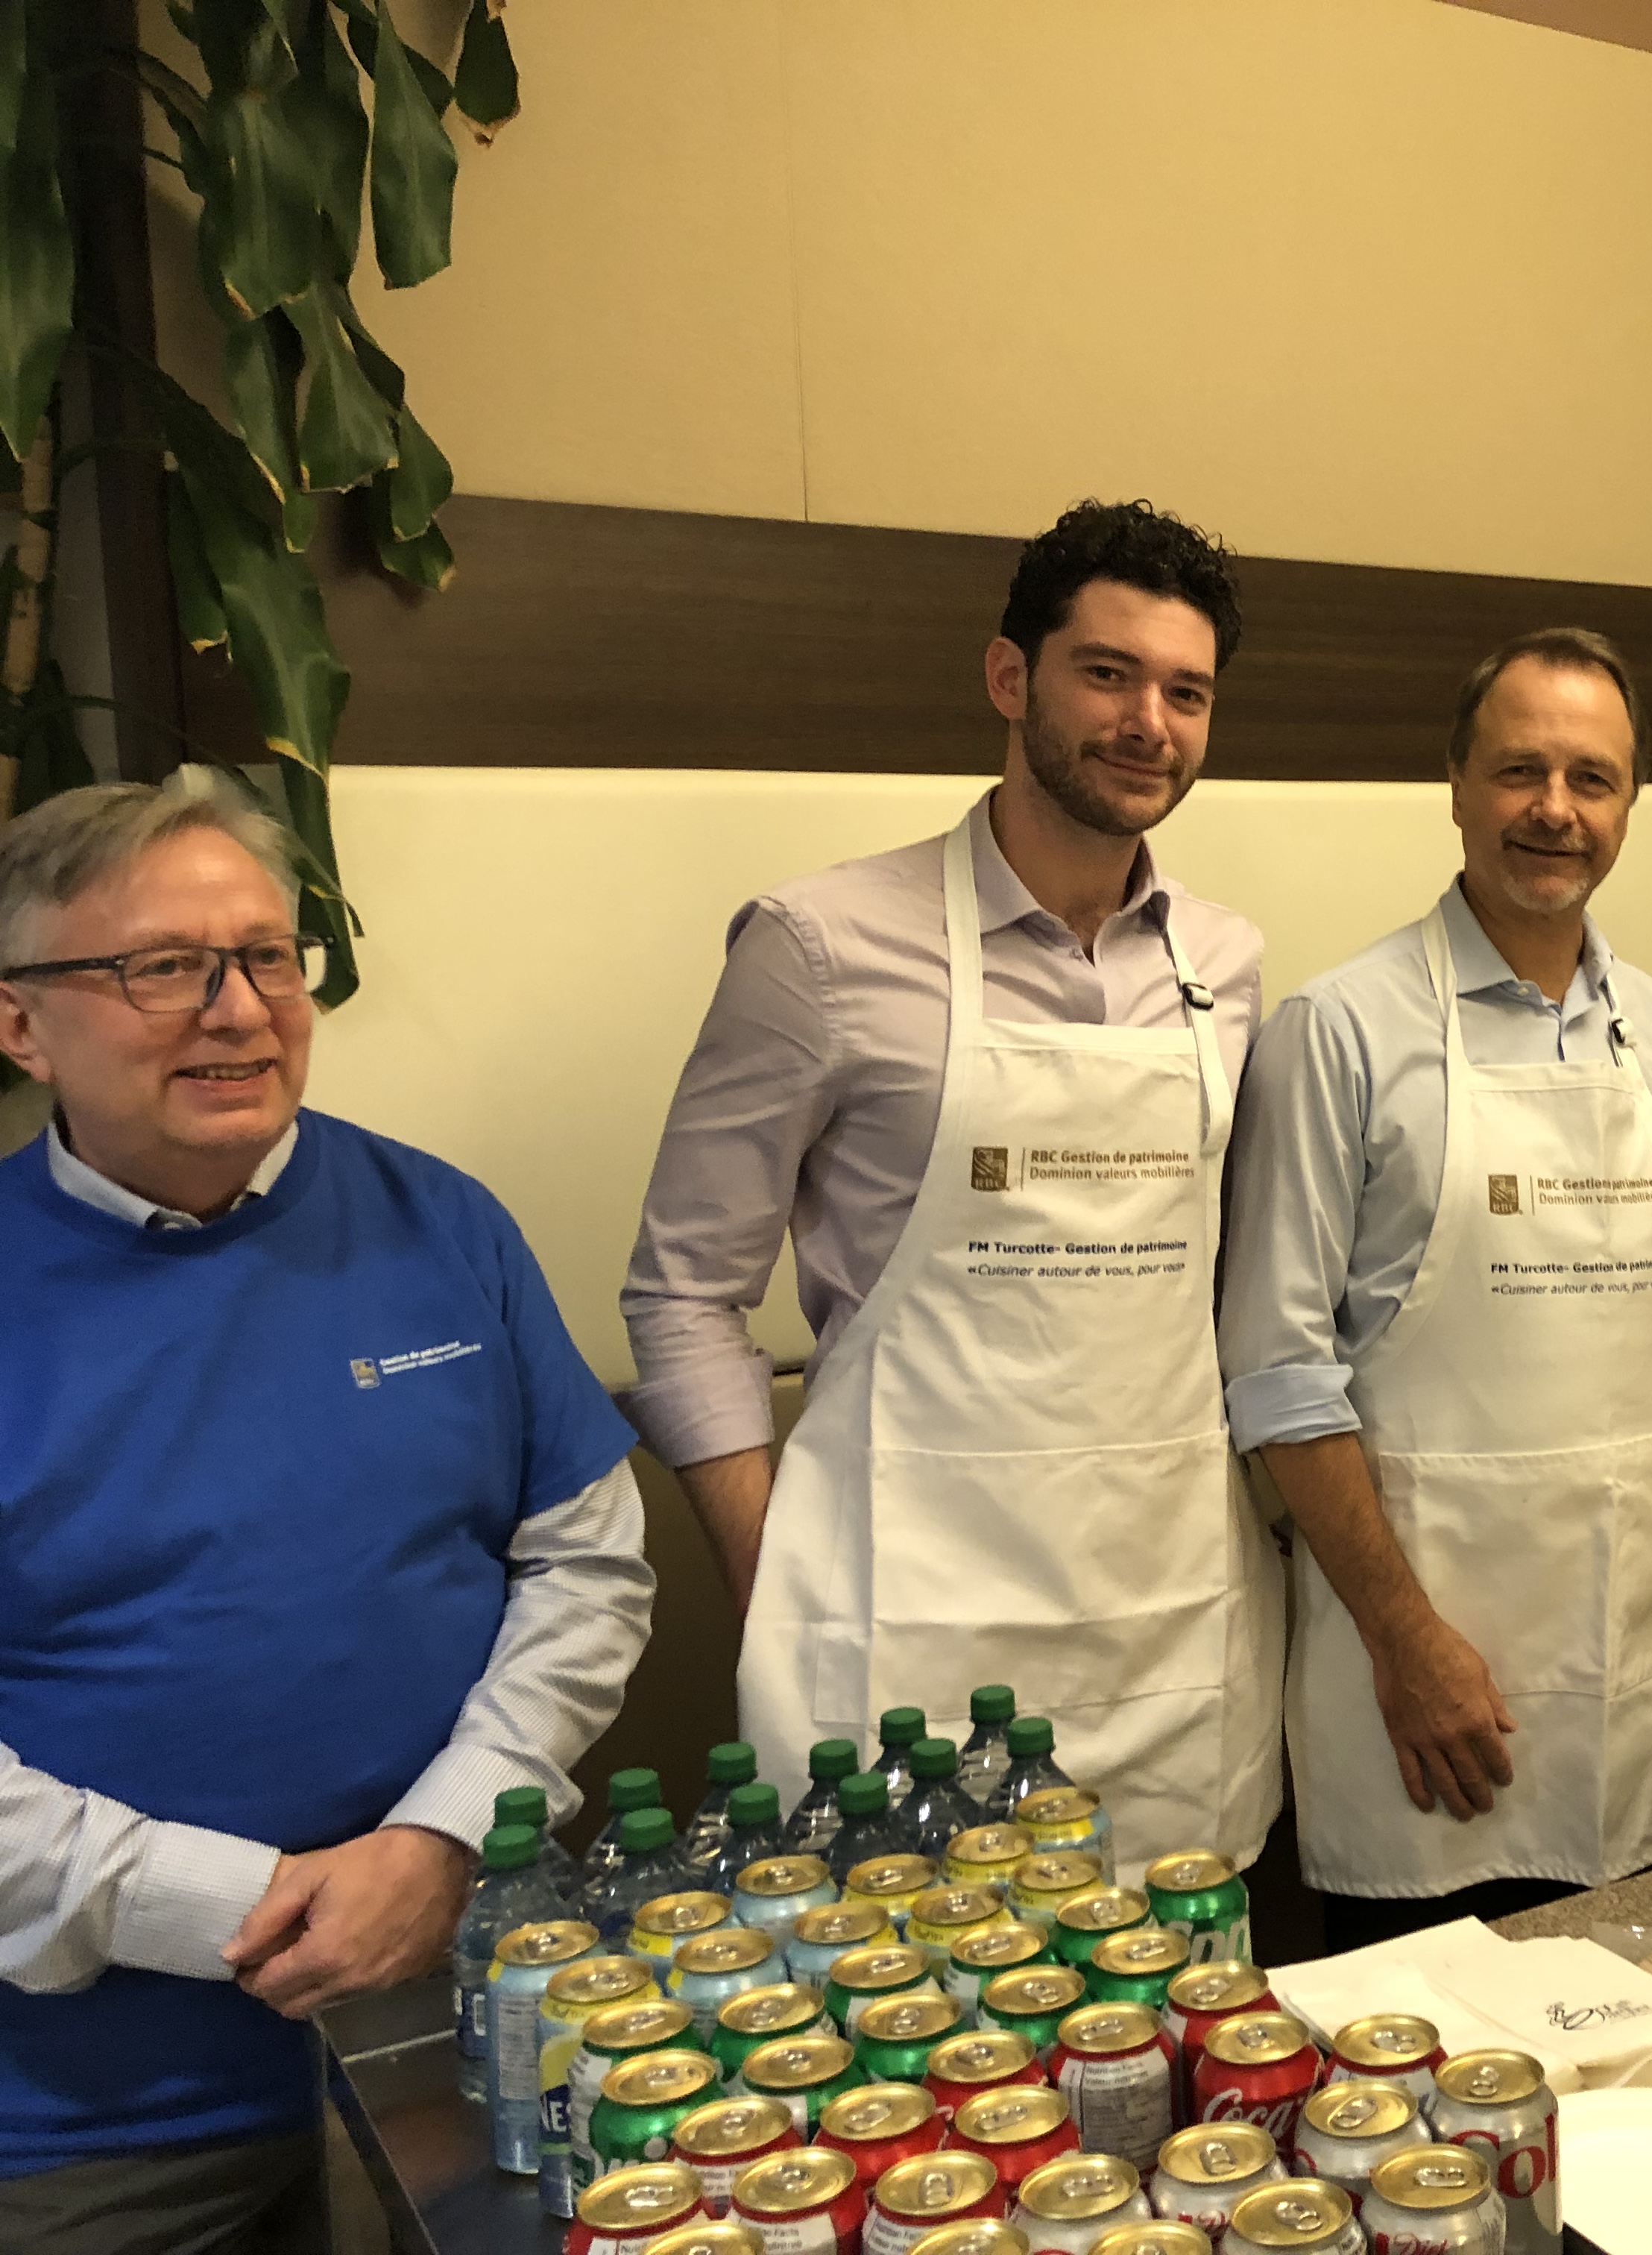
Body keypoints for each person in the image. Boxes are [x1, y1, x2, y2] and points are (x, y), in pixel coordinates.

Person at [0, 784, 652, 2249]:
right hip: (99, 2120)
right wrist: (247, 1901)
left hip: (482, 2026)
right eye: (164, 967)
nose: (238, 1009)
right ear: (21, 1023)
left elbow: (588, 1563)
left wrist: (440, 1838)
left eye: (266, 956)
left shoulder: (441, 1221)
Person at [622, 499, 1283, 1869]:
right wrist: (772, 1579)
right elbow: (682, 1294)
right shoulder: (819, 946)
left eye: (1186, 692)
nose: (1148, 722)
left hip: (1167, 1622)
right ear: (1009, 677)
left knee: (1173, 1984)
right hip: (901, 1638)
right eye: (1107, 673)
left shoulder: (1224, 964)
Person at [1220, 628, 1652, 1948]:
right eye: (1520, 770)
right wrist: (1404, 1637)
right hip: (1417, 1689)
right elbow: (1276, 1372)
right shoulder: (1340, 1030)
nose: (1556, 809)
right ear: (1455, 783)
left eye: (1592, 778)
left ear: (1629, 803)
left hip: (1628, 1674)